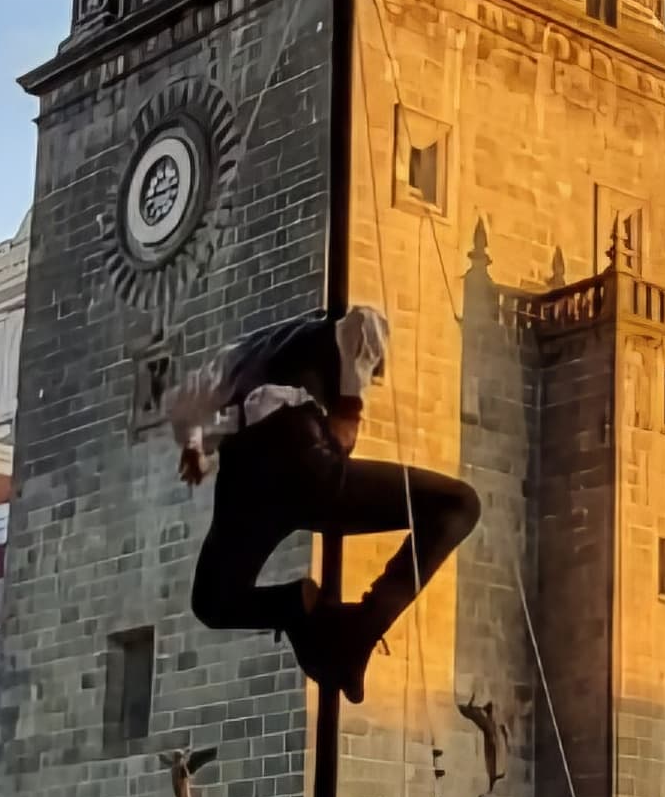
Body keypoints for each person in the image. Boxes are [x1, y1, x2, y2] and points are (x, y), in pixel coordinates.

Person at [170, 299, 479, 706]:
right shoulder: (324, 330)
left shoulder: (242, 351)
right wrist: (349, 408)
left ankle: (293, 606)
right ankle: (364, 626)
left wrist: (195, 444)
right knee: (458, 504)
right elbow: (363, 324)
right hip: (298, 458)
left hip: (242, 477)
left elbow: (189, 400)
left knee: (214, 600)